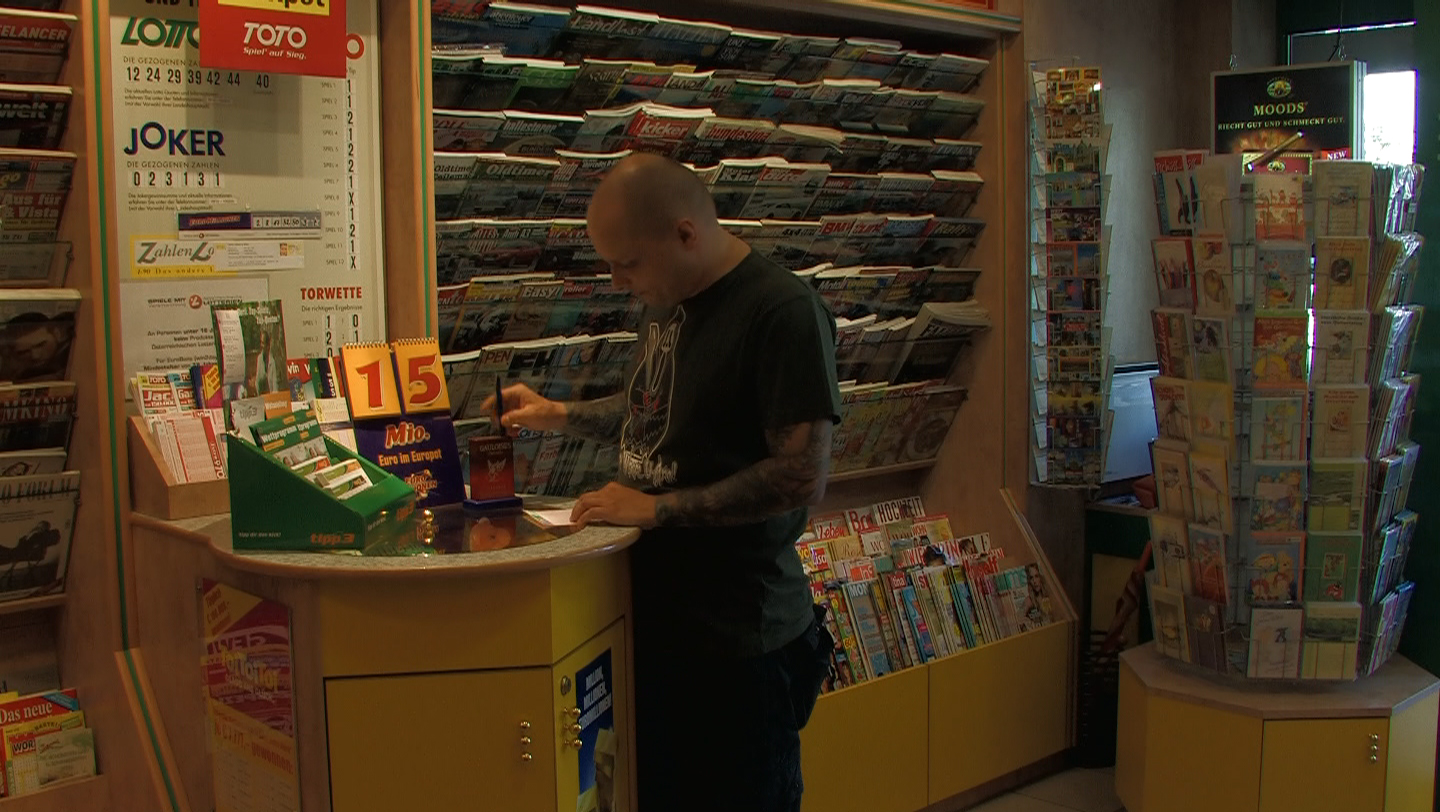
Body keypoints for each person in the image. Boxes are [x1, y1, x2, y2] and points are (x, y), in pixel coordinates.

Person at [482, 153, 840, 812]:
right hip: (655, 627)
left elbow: (800, 475)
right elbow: (653, 409)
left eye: (627, 263)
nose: (619, 281)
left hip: (739, 643)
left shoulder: (783, 311)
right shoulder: (668, 300)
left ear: (685, 234)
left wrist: (653, 510)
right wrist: (557, 414)